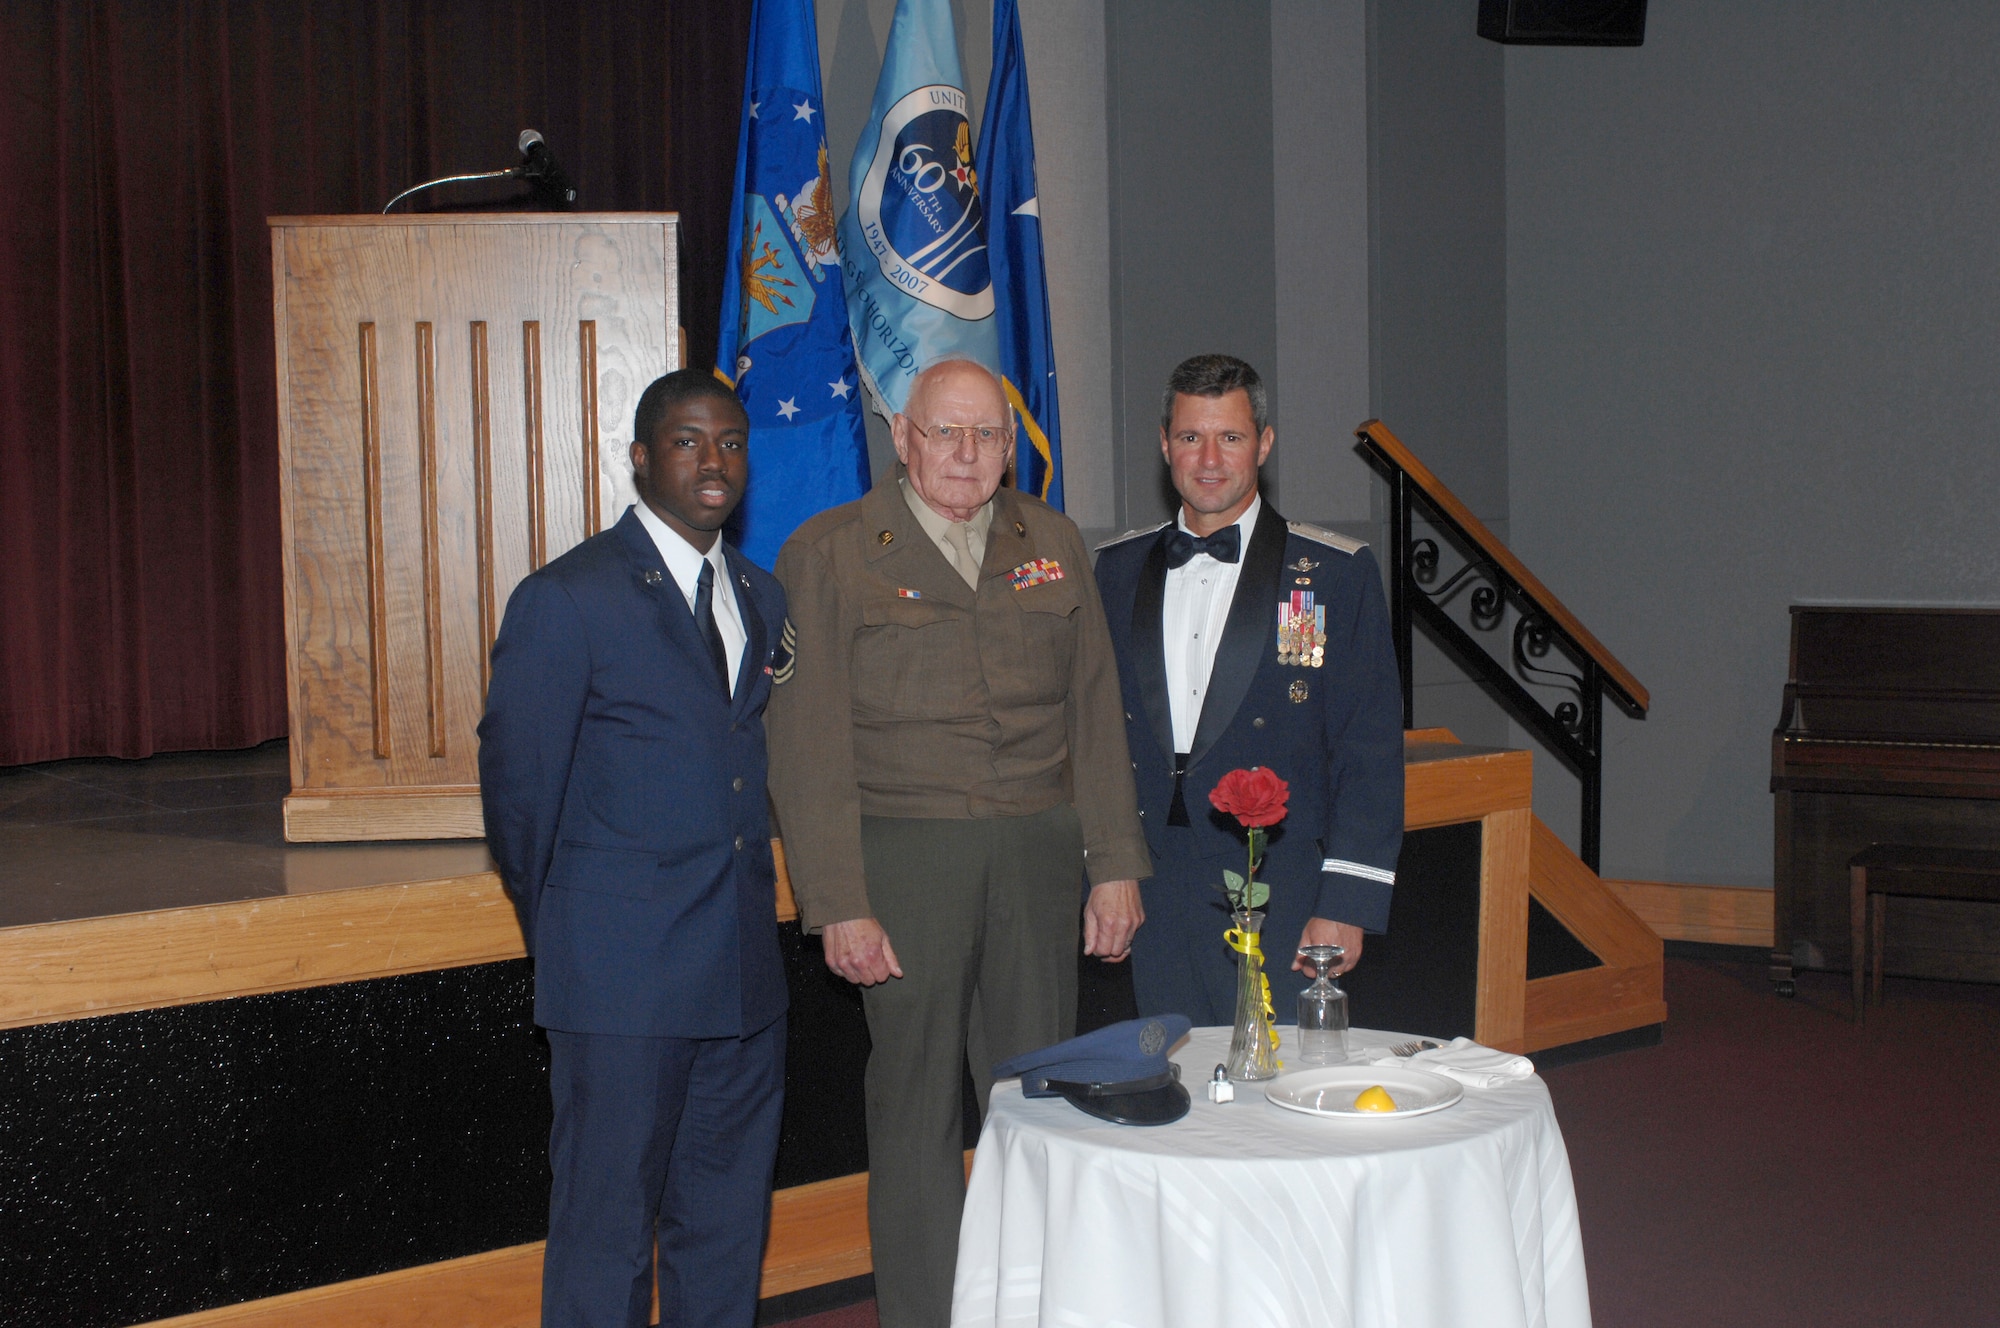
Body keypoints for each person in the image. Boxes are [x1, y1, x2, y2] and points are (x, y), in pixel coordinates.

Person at [765, 358, 1151, 1328]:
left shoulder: (1053, 541)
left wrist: (1113, 865)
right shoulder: (831, 549)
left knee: (1043, 1100)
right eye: (944, 432)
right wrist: (837, 898)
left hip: (1034, 852)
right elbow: (804, 741)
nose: (966, 454)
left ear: (1008, 444)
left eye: (985, 434)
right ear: (902, 437)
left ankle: (1040, 1305)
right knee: (913, 1111)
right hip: (905, 858)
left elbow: (1095, 713)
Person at [478, 370, 789, 1328]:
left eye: (732, 442)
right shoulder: (567, 598)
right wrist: (580, 933)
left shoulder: (760, 594)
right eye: (689, 441)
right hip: (621, 983)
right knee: (606, 1234)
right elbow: (520, 801)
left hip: (743, 975)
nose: (714, 461)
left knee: (725, 1229)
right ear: (642, 458)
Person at [1094, 353, 1403, 1028]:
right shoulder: (1114, 573)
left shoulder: (1330, 575)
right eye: (1190, 437)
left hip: (1285, 887)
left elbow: (1368, 752)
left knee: (1281, 1094)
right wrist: (1103, 872)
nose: (1208, 458)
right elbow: (1093, 743)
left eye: (1229, 437)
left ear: (1263, 443)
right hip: (1153, 890)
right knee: (1171, 1096)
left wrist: (1347, 901)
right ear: (1164, 444)